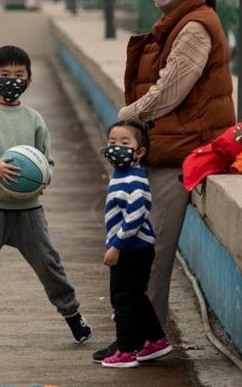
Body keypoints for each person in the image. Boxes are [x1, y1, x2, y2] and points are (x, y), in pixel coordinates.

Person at [108, 0, 236, 354]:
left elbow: (170, 90)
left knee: (150, 250)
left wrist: (129, 116)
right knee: (144, 246)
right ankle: (140, 334)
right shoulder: (178, 22)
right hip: (170, 145)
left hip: (183, 150)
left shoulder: (195, 27)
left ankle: (145, 338)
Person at [0, 45, 92, 348]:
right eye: (4, 75)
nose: (12, 80)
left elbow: (47, 161)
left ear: (29, 80)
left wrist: (43, 178)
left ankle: (73, 316)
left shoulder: (34, 119)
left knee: (50, 264)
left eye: (19, 75)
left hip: (29, 210)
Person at [93, 120, 173, 368]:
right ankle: (156, 341)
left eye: (124, 143)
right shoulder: (123, 175)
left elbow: (136, 216)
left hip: (131, 249)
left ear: (140, 152)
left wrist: (116, 246)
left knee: (123, 299)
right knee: (136, 297)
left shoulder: (135, 182)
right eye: (112, 142)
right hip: (134, 247)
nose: (116, 147)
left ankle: (126, 350)